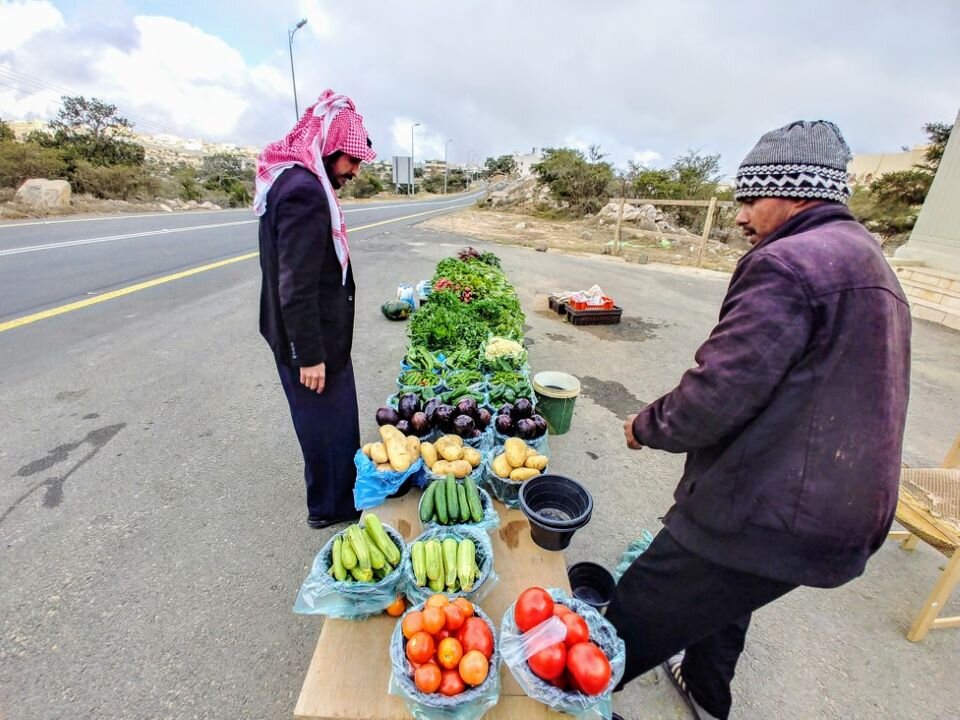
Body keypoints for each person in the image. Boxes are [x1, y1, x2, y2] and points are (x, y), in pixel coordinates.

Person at [607, 121, 911, 720]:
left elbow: (719, 390)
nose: (740, 218)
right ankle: (706, 696)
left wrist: (647, 426)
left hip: (773, 509)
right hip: (840, 512)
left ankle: (558, 702)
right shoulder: (867, 260)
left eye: (750, 199)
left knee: (625, 624)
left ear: (799, 195)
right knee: (730, 588)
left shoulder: (789, 264)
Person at [254, 89, 376, 529]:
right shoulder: (305, 191)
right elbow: (296, 284)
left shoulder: (290, 179)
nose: (356, 170)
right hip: (310, 340)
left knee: (328, 422)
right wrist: (310, 355)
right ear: (327, 146)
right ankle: (331, 509)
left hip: (306, 335)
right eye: (351, 159)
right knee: (329, 427)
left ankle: (333, 498)